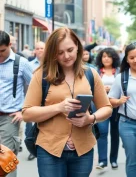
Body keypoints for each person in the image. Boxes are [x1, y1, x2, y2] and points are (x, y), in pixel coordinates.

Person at [22, 27, 112, 177]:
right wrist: (58, 107)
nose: (66, 56)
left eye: (70, 49)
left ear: (78, 46)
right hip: (50, 150)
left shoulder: (90, 74)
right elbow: (27, 113)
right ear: (52, 53)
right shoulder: (41, 75)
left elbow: (106, 108)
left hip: (83, 150)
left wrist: (90, 118)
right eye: (60, 52)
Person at [108, 42, 136, 177]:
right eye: (132, 58)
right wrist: (119, 101)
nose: (135, 60)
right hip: (127, 124)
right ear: (127, 59)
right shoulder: (121, 78)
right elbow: (109, 100)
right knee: (131, 161)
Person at [0, 31, 33, 177]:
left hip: (9, 117)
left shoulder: (21, 63)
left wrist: (23, 111)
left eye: (2, 51)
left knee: (6, 159)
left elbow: (34, 89)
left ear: (9, 45)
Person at [94, 47, 120, 170]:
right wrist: (102, 90)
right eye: (104, 56)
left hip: (116, 106)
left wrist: (113, 90)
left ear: (113, 58)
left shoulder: (119, 71)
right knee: (103, 132)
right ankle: (102, 161)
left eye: (109, 56)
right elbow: (90, 87)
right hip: (101, 106)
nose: (106, 58)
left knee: (115, 133)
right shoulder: (96, 71)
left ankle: (113, 159)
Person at [25, 41, 46, 161]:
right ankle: (33, 146)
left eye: (42, 48)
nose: (39, 50)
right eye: (37, 48)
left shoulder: (52, 65)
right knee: (30, 124)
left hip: (46, 101)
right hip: (32, 99)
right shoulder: (30, 65)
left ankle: (40, 144)